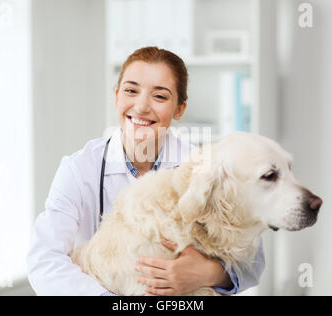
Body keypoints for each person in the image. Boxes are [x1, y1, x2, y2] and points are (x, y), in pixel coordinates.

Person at [26, 46, 265, 296]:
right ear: (117, 96)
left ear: (179, 109)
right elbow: (45, 260)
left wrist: (208, 273)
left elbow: (254, 260)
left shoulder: (205, 168)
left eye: (160, 96)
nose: (141, 106)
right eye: (131, 91)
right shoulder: (80, 169)